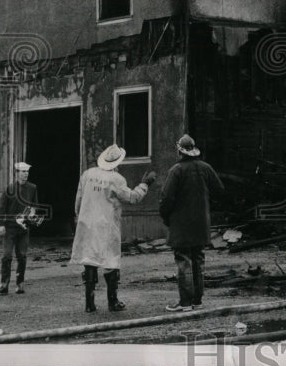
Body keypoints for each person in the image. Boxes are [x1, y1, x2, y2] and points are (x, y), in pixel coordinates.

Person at [70, 144, 156, 313]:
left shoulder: (88, 174)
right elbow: (132, 198)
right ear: (117, 162)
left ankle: (89, 303)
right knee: (111, 261)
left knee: (89, 260)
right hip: (106, 225)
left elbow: (78, 199)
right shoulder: (116, 179)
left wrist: (79, 217)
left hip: (87, 224)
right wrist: (145, 184)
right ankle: (112, 301)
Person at [159, 134, 225, 312]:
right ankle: (197, 300)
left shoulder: (176, 170)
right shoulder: (206, 168)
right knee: (198, 260)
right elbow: (220, 190)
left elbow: (166, 198)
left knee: (183, 261)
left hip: (181, 224)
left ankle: (185, 302)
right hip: (201, 223)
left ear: (180, 151)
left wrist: (165, 217)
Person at [0, 161, 39, 295]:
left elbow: (35, 205)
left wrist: (32, 213)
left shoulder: (32, 188)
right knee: (7, 255)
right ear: (17, 173)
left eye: (27, 172)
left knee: (22, 256)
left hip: (23, 228)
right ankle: (4, 284)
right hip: (9, 228)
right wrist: (1, 225)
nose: (25, 175)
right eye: (23, 172)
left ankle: (20, 284)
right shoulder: (9, 189)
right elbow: (1, 208)